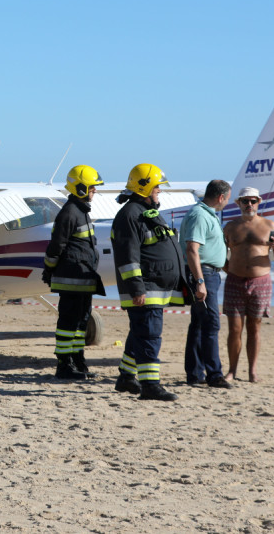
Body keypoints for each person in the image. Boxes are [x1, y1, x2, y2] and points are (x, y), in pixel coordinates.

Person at [110, 163, 188, 401]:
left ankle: (126, 377)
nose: (159, 192)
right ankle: (150, 385)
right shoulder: (129, 215)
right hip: (145, 289)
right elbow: (127, 257)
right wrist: (136, 288)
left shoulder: (145, 212)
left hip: (155, 287)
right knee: (149, 335)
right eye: (156, 187)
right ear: (143, 187)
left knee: (139, 333)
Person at [43, 165, 105, 380]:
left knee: (80, 322)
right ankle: (64, 365)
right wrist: (49, 269)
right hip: (71, 279)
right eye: (92, 188)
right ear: (80, 188)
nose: (94, 192)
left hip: (83, 278)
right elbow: (55, 246)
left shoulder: (81, 212)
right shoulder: (69, 213)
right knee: (68, 324)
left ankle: (78, 360)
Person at [222, 187, 274, 382]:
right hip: (234, 280)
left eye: (253, 201)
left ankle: (252, 371)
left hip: (261, 281)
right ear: (238, 203)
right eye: (245, 201)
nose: (249, 204)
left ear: (258, 202)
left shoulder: (269, 225)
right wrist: (230, 269)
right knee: (234, 328)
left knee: (254, 327)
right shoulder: (230, 227)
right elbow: (220, 253)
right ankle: (232, 370)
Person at [180, 180, 233, 389]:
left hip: (209, 273)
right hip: (204, 274)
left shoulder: (206, 214)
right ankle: (214, 374)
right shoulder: (200, 215)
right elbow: (192, 249)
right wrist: (200, 281)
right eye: (227, 199)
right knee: (211, 323)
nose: (226, 203)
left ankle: (195, 373)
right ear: (220, 197)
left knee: (200, 324)